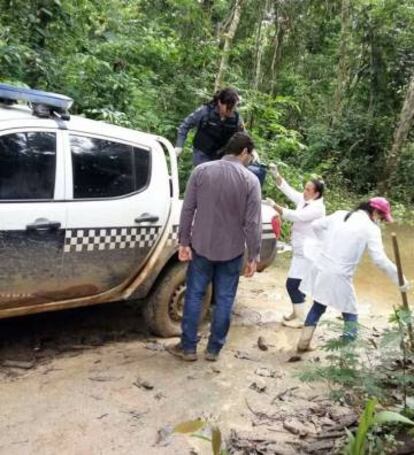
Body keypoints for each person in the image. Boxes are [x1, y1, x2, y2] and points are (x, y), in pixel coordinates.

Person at [167, 132, 262, 362]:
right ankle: (213, 349)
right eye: (250, 155)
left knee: (194, 295)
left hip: (201, 246)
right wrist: (254, 255)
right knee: (225, 299)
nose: (250, 160)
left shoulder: (202, 171)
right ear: (244, 152)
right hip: (232, 251)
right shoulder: (251, 181)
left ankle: (188, 348)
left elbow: (188, 208)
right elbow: (252, 222)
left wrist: (184, 241)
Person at [297, 197, 410, 352]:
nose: (381, 221)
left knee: (318, 305)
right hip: (339, 274)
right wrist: (400, 279)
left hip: (321, 267)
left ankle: (303, 343)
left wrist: (325, 244)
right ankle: (347, 354)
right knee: (351, 313)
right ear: (375, 212)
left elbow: (316, 225)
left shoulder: (341, 214)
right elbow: (380, 260)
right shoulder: (370, 229)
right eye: (382, 218)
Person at [266, 164, 326, 328]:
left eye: (308, 190)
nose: (304, 192)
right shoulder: (306, 200)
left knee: (292, 285)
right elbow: (288, 190)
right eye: (305, 188)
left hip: (308, 253)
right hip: (300, 251)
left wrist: (274, 206)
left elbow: (295, 216)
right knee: (297, 285)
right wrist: (276, 175)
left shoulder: (317, 209)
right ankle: (297, 312)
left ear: (316, 194)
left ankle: (301, 319)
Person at [174, 87, 266, 183]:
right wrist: (179, 145)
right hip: (202, 153)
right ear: (220, 103)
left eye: (232, 108)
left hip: (221, 156)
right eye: (228, 108)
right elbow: (185, 125)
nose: (230, 111)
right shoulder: (205, 112)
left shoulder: (236, 119)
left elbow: (244, 137)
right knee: (202, 179)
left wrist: (252, 151)